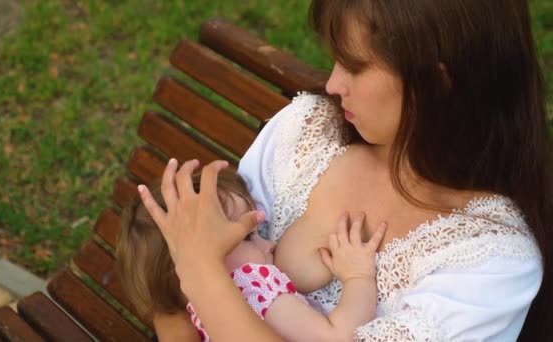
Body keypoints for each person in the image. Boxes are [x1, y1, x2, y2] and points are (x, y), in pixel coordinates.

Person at [138, 0, 553, 340]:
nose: (333, 85)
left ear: (437, 82)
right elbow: (173, 302)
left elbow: (192, 263)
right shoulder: (306, 132)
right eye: (335, 60)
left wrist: (198, 269)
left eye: (354, 66)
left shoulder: (488, 262)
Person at [118, 170, 388, 341]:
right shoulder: (252, 285)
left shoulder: (198, 309)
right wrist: (358, 276)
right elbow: (337, 338)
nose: (269, 244)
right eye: (249, 237)